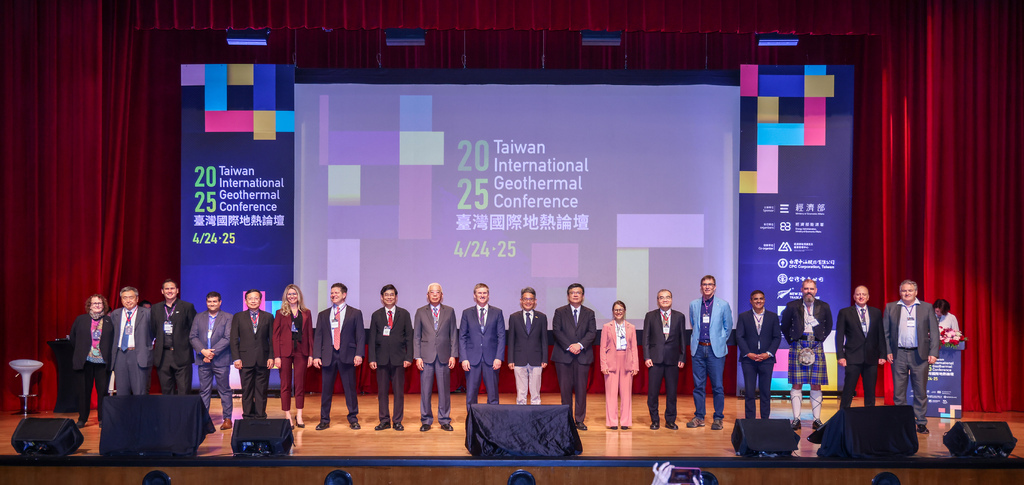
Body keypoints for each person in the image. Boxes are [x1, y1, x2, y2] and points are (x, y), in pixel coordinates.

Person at [884, 279, 939, 434]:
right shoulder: (891, 307)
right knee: (898, 392)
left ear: (916, 292)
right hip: (898, 354)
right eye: (904, 290)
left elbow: (934, 332)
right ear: (900, 292)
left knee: (920, 390)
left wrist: (933, 352)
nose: (906, 293)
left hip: (919, 355)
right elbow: (885, 332)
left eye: (909, 290)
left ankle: (920, 422)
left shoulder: (927, 307)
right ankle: (901, 422)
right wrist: (887, 350)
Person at [780, 279, 833, 430]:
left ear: (816, 290)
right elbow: (784, 326)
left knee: (816, 383)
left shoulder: (824, 306)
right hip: (798, 345)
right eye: (806, 288)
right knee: (797, 383)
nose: (809, 291)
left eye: (811, 289)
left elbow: (829, 325)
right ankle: (796, 419)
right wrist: (792, 341)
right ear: (801, 290)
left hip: (816, 345)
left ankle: (817, 419)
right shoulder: (792, 305)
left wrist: (819, 339)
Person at [313, 283, 365, 430]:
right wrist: (316, 355)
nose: (333, 295)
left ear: (344, 294)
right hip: (328, 356)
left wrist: (359, 354)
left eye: (336, 292)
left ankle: (353, 418)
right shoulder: (323, 314)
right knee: (326, 390)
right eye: (331, 293)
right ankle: (324, 420)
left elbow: (360, 335)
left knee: (350, 389)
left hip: (347, 355)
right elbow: (318, 336)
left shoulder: (355, 313)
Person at [687, 275, 732, 430]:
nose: (707, 287)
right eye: (704, 284)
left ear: (715, 287)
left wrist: (719, 341)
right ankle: (699, 417)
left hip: (715, 351)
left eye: (710, 284)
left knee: (717, 386)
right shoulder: (694, 304)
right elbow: (693, 324)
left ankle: (718, 418)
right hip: (698, 349)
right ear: (701, 287)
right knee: (698, 386)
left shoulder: (723, 305)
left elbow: (728, 327)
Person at [551, 283, 597, 430]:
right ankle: (567, 419)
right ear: (568, 296)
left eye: (578, 293)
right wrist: (570, 346)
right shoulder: (560, 312)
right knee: (565, 391)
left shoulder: (589, 313)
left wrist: (579, 345)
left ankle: (579, 420)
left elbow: (592, 332)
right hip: (564, 356)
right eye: (572, 292)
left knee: (581, 390)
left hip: (583, 356)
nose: (575, 295)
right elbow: (557, 331)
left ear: (583, 296)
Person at [368, 284, 414, 431]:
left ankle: (397, 421)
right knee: (382, 392)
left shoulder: (404, 314)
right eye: (386, 295)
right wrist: (372, 358)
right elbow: (372, 338)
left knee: (399, 392)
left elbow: (409, 338)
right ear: (382, 298)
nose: (389, 297)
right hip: (381, 359)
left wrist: (409, 357)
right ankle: (384, 420)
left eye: (392, 295)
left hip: (399, 359)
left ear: (396, 297)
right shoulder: (376, 315)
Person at [413, 283, 458, 432]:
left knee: (444, 390)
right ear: (427, 295)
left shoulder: (450, 311)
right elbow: (416, 336)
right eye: (431, 292)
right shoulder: (420, 312)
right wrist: (417, 356)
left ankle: (444, 420)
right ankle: (426, 420)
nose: (434, 294)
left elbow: (453, 334)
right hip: (426, 357)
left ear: (441, 295)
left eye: (437, 292)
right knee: (425, 390)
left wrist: (453, 355)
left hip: (444, 356)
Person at [835, 286, 886, 409]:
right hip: (852, 357)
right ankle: (843, 415)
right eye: (858, 294)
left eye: (864, 294)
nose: (861, 296)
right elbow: (839, 336)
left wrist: (883, 354)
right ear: (854, 297)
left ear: (868, 297)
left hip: (871, 357)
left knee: (870, 391)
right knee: (848, 390)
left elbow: (881, 334)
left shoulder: (876, 312)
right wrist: (840, 356)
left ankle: (869, 417)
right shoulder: (845, 312)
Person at [189, 291, 234, 429]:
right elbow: (193, 336)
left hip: (221, 359)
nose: (212, 304)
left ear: (220, 302)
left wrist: (211, 353)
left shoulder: (228, 317)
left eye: (215, 301)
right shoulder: (198, 317)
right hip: (203, 359)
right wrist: (203, 351)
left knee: (224, 390)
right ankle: (204, 419)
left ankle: (227, 419)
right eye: (209, 301)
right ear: (206, 302)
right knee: (204, 390)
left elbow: (228, 338)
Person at [69, 294, 114, 428]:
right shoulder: (80, 319)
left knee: (103, 392)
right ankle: (82, 419)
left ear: (104, 306)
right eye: (94, 303)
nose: (97, 305)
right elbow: (73, 338)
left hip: (103, 362)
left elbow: (113, 340)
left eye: (100, 303)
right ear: (89, 305)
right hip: (85, 362)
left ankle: (102, 419)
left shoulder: (109, 320)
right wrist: (82, 351)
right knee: (84, 392)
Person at [643, 289, 686, 430]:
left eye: (667, 297)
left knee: (672, 393)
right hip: (655, 359)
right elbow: (646, 338)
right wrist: (647, 356)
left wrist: (682, 356)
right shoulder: (650, 316)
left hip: (673, 360)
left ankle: (670, 420)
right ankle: (655, 420)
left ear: (671, 299)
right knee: (653, 393)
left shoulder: (680, 316)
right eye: (661, 297)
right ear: (658, 300)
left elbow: (683, 338)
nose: (665, 300)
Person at [735, 290, 781, 419]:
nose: (758, 301)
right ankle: (750, 421)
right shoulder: (743, 316)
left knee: (765, 392)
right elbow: (739, 337)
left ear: (764, 300)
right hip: (748, 360)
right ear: (751, 301)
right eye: (755, 299)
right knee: (749, 392)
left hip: (767, 360)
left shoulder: (772, 316)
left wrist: (768, 353)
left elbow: (777, 337)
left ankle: (765, 420)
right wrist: (748, 353)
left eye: (761, 298)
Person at [459, 283, 505, 410]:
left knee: (493, 395)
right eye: (479, 293)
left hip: (492, 359)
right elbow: (462, 337)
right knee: (471, 394)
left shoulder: (497, 312)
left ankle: (493, 418)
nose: (482, 295)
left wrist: (498, 357)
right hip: (472, 360)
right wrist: (464, 358)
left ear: (488, 295)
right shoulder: (467, 313)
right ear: (475, 295)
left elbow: (501, 336)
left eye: (485, 293)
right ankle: (472, 419)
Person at [273, 284, 313, 428]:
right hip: (284, 352)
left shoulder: (306, 313)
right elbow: (275, 336)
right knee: (285, 385)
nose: (292, 296)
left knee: (300, 384)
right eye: (289, 294)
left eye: (294, 294)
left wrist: (311, 355)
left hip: (301, 352)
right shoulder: (280, 313)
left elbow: (310, 335)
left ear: (299, 296)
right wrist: (277, 356)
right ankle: (288, 415)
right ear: (286, 296)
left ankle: (299, 415)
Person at [230, 289, 274, 419]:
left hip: (263, 359)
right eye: (250, 298)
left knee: (261, 390)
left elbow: (272, 339)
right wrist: (236, 358)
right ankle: (247, 416)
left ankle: (260, 416)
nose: (253, 301)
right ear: (245, 301)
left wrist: (271, 356)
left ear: (260, 300)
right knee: (247, 390)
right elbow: (234, 339)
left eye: (256, 298)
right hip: (244, 360)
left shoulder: (268, 317)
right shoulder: (238, 317)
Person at [151, 279, 196, 395]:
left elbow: (194, 330)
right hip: (163, 356)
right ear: (162, 291)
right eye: (167, 289)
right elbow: (153, 330)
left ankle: (184, 409)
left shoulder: (187, 307)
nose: (169, 291)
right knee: (166, 392)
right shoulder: (155, 308)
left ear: (177, 290)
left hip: (182, 355)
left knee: (184, 392)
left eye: (172, 288)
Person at [507, 287, 549, 406]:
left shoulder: (541, 317)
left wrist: (544, 358)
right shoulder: (514, 317)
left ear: (535, 301)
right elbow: (511, 340)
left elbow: (544, 339)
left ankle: (535, 414)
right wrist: (511, 360)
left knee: (535, 393)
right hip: (519, 359)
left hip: (537, 359)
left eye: (531, 299)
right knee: (521, 392)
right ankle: (521, 414)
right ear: (521, 300)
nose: (528, 301)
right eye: (525, 299)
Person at [109, 286, 154, 396]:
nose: (128, 300)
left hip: (138, 355)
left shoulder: (147, 313)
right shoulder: (115, 314)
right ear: (121, 299)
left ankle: (140, 409)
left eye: (131, 297)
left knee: (140, 392)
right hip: (120, 354)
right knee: (121, 392)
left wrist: (148, 347)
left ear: (137, 299)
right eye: (125, 298)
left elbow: (155, 332)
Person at [602, 300, 638, 429]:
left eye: (621, 310)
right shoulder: (607, 327)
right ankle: (612, 422)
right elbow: (602, 347)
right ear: (613, 312)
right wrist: (603, 365)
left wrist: (635, 365)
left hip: (627, 361)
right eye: (616, 310)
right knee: (611, 395)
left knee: (626, 394)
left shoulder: (631, 327)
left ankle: (625, 422)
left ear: (624, 311)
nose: (618, 312)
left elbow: (634, 348)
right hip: (611, 361)